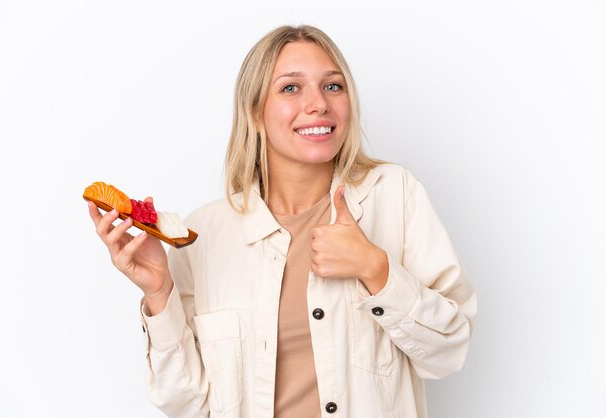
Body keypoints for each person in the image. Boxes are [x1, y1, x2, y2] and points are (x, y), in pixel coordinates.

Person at [88, 25, 476, 418]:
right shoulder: (204, 234)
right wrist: (158, 292)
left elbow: (448, 352)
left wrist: (374, 268)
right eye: (291, 88)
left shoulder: (394, 194)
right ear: (255, 112)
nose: (319, 104)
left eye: (333, 86)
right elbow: (186, 404)